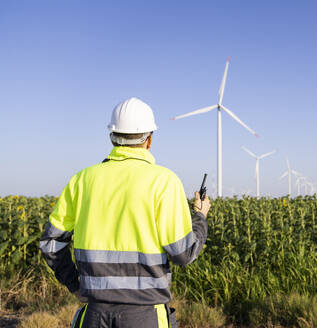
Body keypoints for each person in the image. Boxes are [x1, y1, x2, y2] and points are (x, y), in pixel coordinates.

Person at [39, 97, 210, 328]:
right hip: (145, 315)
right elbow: (184, 253)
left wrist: (75, 285)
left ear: (112, 137)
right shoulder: (164, 182)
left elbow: (51, 243)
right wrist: (200, 218)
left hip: (94, 313)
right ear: (149, 139)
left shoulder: (82, 180)